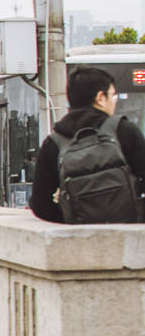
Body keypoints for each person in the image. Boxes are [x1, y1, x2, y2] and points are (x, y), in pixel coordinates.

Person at [31, 65, 145, 222]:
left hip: (78, 238)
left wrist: (72, 219)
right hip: (128, 235)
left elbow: (39, 204)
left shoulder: (54, 143)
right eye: (112, 96)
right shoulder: (123, 130)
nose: (114, 102)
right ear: (100, 98)